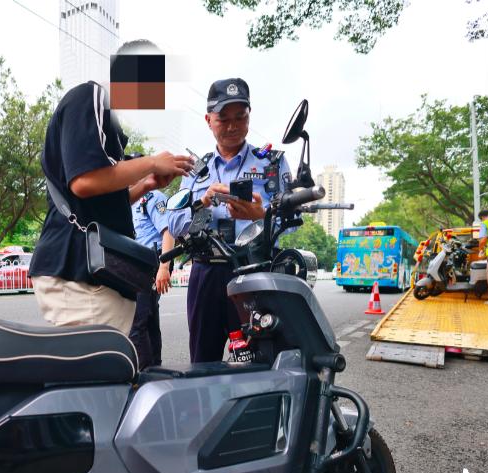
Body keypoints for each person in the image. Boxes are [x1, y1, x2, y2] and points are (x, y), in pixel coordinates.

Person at [29, 80, 193, 335]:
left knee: (106, 367)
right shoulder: (91, 94)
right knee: (98, 370)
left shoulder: (108, 121)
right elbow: (83, 181)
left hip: (93, 271)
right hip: (81, 270)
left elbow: (97, 199)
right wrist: (151, 163)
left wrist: (144, 186)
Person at [167, 78, 292, 362]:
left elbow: (293, 219)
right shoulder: (196, 171)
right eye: (224, 119)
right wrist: (203, 202)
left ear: (249, 117)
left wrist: (262, 216)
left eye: (241, 117)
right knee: (202, 359)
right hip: (206, 273)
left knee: (262, 357)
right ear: (209, 120)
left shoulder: (271, 164)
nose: (233, 126)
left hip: (255, 270)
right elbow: (174, 225)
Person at [128, 188, 175, 368]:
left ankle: (145, 374)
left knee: (136, 324)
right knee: (148, 319)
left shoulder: (152, 197)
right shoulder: (129, 200)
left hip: (150, 264)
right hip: (136, 266)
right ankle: (155, 368)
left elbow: (168, 231)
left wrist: (164, 266)